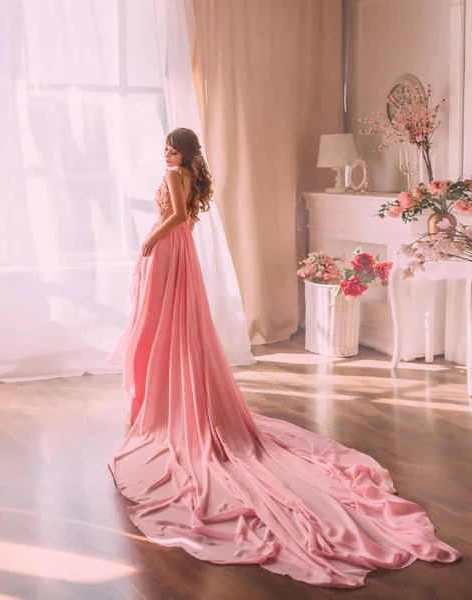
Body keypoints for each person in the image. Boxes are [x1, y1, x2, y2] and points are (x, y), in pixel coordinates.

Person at [107, 128, 460, 588]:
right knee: (175, 327)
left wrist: (153, 240)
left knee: (162, 326)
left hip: (169, 250)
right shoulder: (191, 175)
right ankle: (170, 396)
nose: (167, 153)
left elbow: (175, 216)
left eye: (174, 148)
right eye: (167, 148)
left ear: (185, 152)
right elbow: (187, 218)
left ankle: (162, 403)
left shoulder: (175, 175)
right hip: (183, 256)